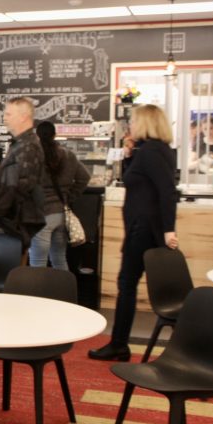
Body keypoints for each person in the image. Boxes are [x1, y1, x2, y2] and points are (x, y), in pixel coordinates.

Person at [89, 104, 178, 361]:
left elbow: (167, 191)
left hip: (144, 228)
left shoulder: (151, 152)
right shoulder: (154, 150)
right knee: (143, 286)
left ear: (146, 123)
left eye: (135, 121)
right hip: (144, 227)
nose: (131, 126)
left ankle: (119, 343)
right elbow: (137, 181)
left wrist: (169, 229)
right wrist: (128, 156)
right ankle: (121, 343)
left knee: (127, 284)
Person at [28, 121, 90, 270]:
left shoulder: (32, 157)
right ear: (55, 135)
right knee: (59, 259)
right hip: (61, 214)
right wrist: (70, 196)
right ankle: (63, 286)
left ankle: (37, 287)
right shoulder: (68, 155)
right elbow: (84, 177)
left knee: (37, 263)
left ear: (37, 136)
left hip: (40, 215)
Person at [0, 97, 45, 247]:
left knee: (12, 261)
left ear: (23, 117)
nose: (4, 118)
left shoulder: (28, 146)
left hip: (16, 221)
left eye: (8, 114)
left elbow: (23, 185)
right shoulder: (21, 144)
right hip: (13, 220)